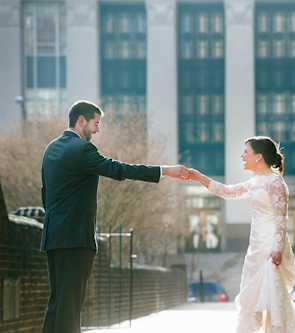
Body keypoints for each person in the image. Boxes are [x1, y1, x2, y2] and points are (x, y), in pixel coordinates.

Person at [40, 100, 189, 333]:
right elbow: (118, 169)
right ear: (81, 121)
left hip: (53, 236)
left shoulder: (51, 148)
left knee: (57, 302)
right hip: (76, 236)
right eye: (96, 124)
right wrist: (164, 170)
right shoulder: (82, 149)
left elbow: (45, 193)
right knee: (71, 306)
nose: (98, 130)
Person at [189, 136, 295, 333]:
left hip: (270, 247)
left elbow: (281, 218)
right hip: (255, 246)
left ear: (258, 156)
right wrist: (197, 176)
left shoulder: (275, 183)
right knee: (253, 296)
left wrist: (277, 249)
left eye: (246, 151)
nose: (242, 155)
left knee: (271, 297)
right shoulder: (256, 182)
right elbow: (227, 191)